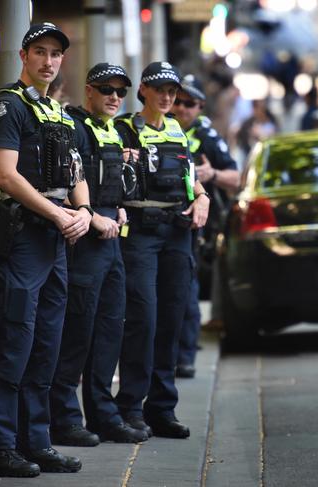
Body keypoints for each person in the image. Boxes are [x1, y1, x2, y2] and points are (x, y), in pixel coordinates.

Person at [0, 22, 93, 478]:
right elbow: (5, 176)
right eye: (39, 52)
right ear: (23, 56)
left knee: (46, 345)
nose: (48, 60)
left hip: (56, 239)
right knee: (15, 343)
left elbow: (76, 171)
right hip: (24, 238)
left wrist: (81, 210)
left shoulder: (59, 114)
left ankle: (35, 442)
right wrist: (59, 214)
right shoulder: (8, 105)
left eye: (56, 54)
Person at [49, 63, 148, 445]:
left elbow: (105, 184)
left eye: (120, 91)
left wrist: (117, 207)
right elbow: (70, 178)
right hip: (86, 243)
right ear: (88, 91)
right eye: (106, 89)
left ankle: (103, 415)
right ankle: (64, 418)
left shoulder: (109, 130)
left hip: (111, 242)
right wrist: (91, 218)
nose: (114, 97)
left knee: (109, 332)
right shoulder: (75, 126)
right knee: (78, 333)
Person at [113, 62, 210, 439]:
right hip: (140, 232)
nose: (168, 97)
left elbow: (189, 177)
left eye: (173, 92)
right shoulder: (124, 129)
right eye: (160, 90)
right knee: (143, 319)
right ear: (143, 91)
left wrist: (201, 197)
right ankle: (131, 406)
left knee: (170, 320)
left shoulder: (176, 129)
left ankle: (162, 408)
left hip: (177, 232)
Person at [171, 74, 240, 378]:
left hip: (198, 226)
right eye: (178, 102)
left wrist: (210, 175)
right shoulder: (155, 129)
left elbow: (235, 179)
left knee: (187, 289)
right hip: (162, 222)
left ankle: (185, 355)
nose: (182, 108)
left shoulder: (207, 137)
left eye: (189, 104)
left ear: (199, 107)